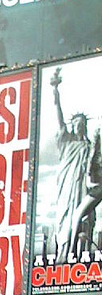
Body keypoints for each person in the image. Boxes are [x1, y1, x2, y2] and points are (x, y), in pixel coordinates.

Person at [49, 67, 102, 264]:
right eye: (76, 123)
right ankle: (63, 256)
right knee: (64, 222)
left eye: (82, 123)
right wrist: (56, 91)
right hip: (66, 189)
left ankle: (81, 257)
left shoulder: (90, 147)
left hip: (83, 189)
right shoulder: (66, 142)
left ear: (85, 126)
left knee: (84, 221)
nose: (79, 126)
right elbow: (59, 116)